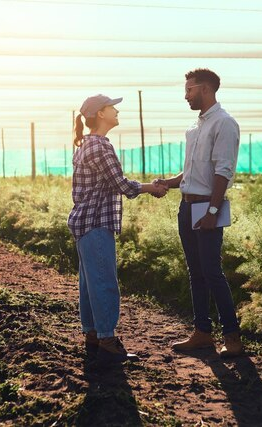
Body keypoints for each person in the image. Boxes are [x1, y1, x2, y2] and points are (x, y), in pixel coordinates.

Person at [69, 94, 168, 364]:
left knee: (90, 283)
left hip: (84, 222)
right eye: (112, 107)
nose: (116, 111)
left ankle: (93, 336)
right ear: (101, 114)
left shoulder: (86, 145)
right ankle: (108, 341)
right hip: (97, 221)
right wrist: (152, 187)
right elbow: (120, 185)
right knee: (103, 281)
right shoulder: (100, 146)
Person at [155, 69, 244, 357]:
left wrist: (213, 210)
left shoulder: (224, 124)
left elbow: (223, 171)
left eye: (189, 90)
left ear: (205, 89)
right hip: (187, 206)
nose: (185, 95)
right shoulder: (195, 128)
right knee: (196, 273)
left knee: (212, 272)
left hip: (207, 206)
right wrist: (168, 183)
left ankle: (232, 338)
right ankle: (202, 332)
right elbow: (192, 172)